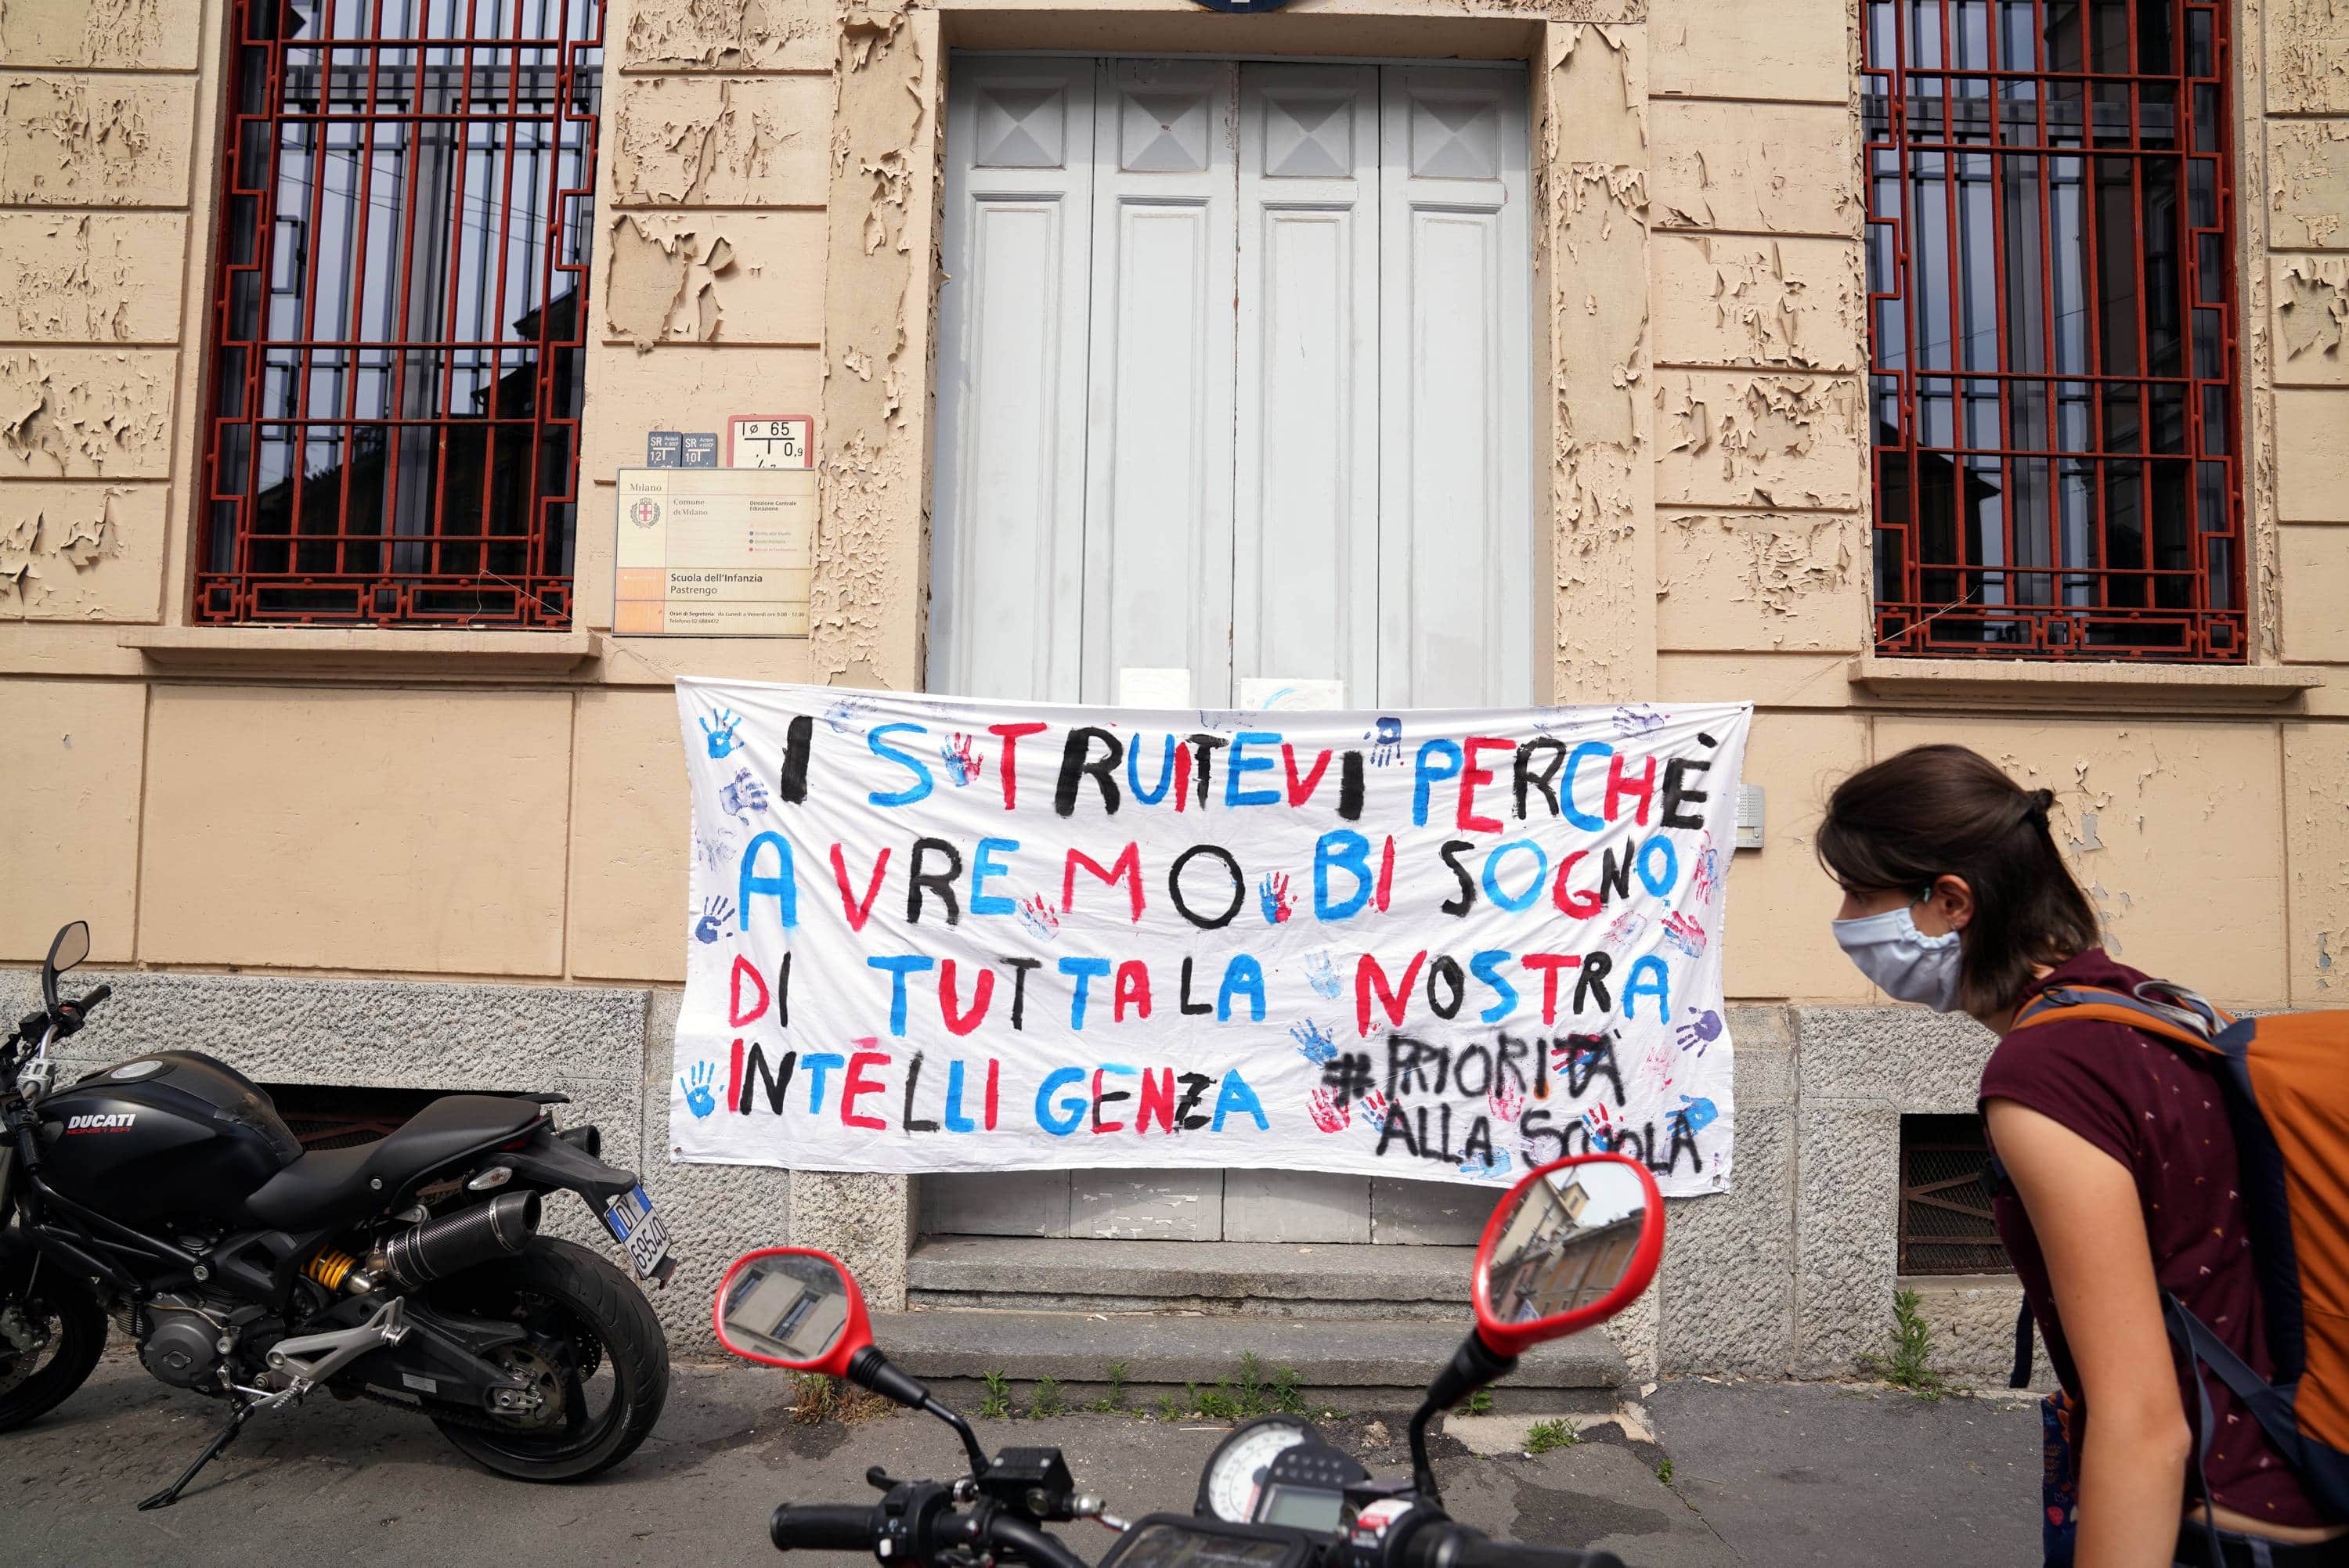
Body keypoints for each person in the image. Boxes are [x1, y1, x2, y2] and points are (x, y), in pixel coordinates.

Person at [1815, 744, 2345, 1567]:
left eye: (1859, 891)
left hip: (2221, 1520)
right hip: (2300, 1477)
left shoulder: (2044, 1076)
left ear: (1951, 900)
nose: (1846, 919)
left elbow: (2144, 1421)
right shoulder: (2145, 1001)